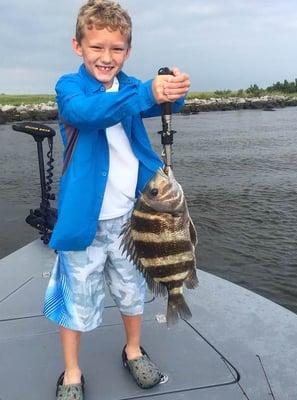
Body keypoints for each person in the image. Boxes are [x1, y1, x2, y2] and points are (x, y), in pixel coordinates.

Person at [43, 1, 190, 398]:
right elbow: (88, 113)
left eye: (117, 49)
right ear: (78, 46)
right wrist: (145, 92)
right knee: (77, 300)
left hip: (134, 218)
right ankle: (72, 372)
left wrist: (174, 91)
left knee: (131, 292)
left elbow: (163, 103)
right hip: (84, 226)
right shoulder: (69, 88)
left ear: (127, 51)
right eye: (97, 47)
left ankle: (133, 349)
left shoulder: (130, 88)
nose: (107, 58)